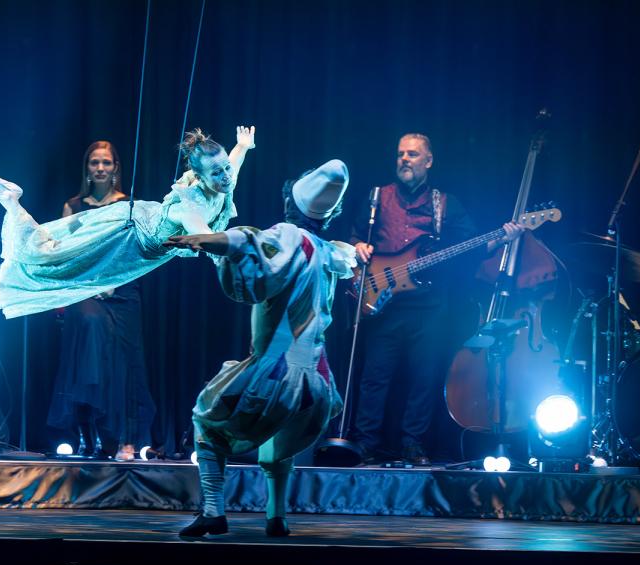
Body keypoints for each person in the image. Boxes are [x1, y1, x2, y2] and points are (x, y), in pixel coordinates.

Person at [164, 159, 357, 538]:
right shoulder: (326, 251)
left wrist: (202, 238)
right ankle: (276, 517)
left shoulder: (288, 236)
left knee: (206, 417)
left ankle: (213, 511)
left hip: (276, 373)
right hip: (316, 385)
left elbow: (245, 241)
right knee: (277, 440)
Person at [346, 134, 523, 465]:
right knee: (374, 377)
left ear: (428, 161)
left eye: (412, 154)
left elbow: (471, 246)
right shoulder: (376, 196)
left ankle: (413, 443)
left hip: (428, 305)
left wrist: (503, 238)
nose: (404, 159)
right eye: (400, 153)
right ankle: (365, 442)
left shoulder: (445, 203)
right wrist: (357, 246)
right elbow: (356, 235)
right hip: (382, 299)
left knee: (424, 377)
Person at [0, 126, 255, 318]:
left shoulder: (223, 179)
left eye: (225, 169)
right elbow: (207, 239)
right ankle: (12, 201)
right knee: (57, 256)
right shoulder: (191, 206)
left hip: (141, 228)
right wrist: (237, 255)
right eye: (216, 172)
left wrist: (243, 145)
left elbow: (235, 162)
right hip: (126, 236)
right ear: (199, 175)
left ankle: (13, 204)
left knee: (66, 259)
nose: (226, 176)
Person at [47, 141, 156, 460]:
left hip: (121, 290)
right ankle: (88, 434)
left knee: (124, 365)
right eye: (94, 162)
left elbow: (133, 252)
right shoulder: (73, 206)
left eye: (106, 162)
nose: (100, 168)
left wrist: (110, 284)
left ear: (115, 168)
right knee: (89, 341)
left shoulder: (127, 205)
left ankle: (125, 440)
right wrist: (87, 285)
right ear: (87, 168)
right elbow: (64, 254)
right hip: (84, 290)